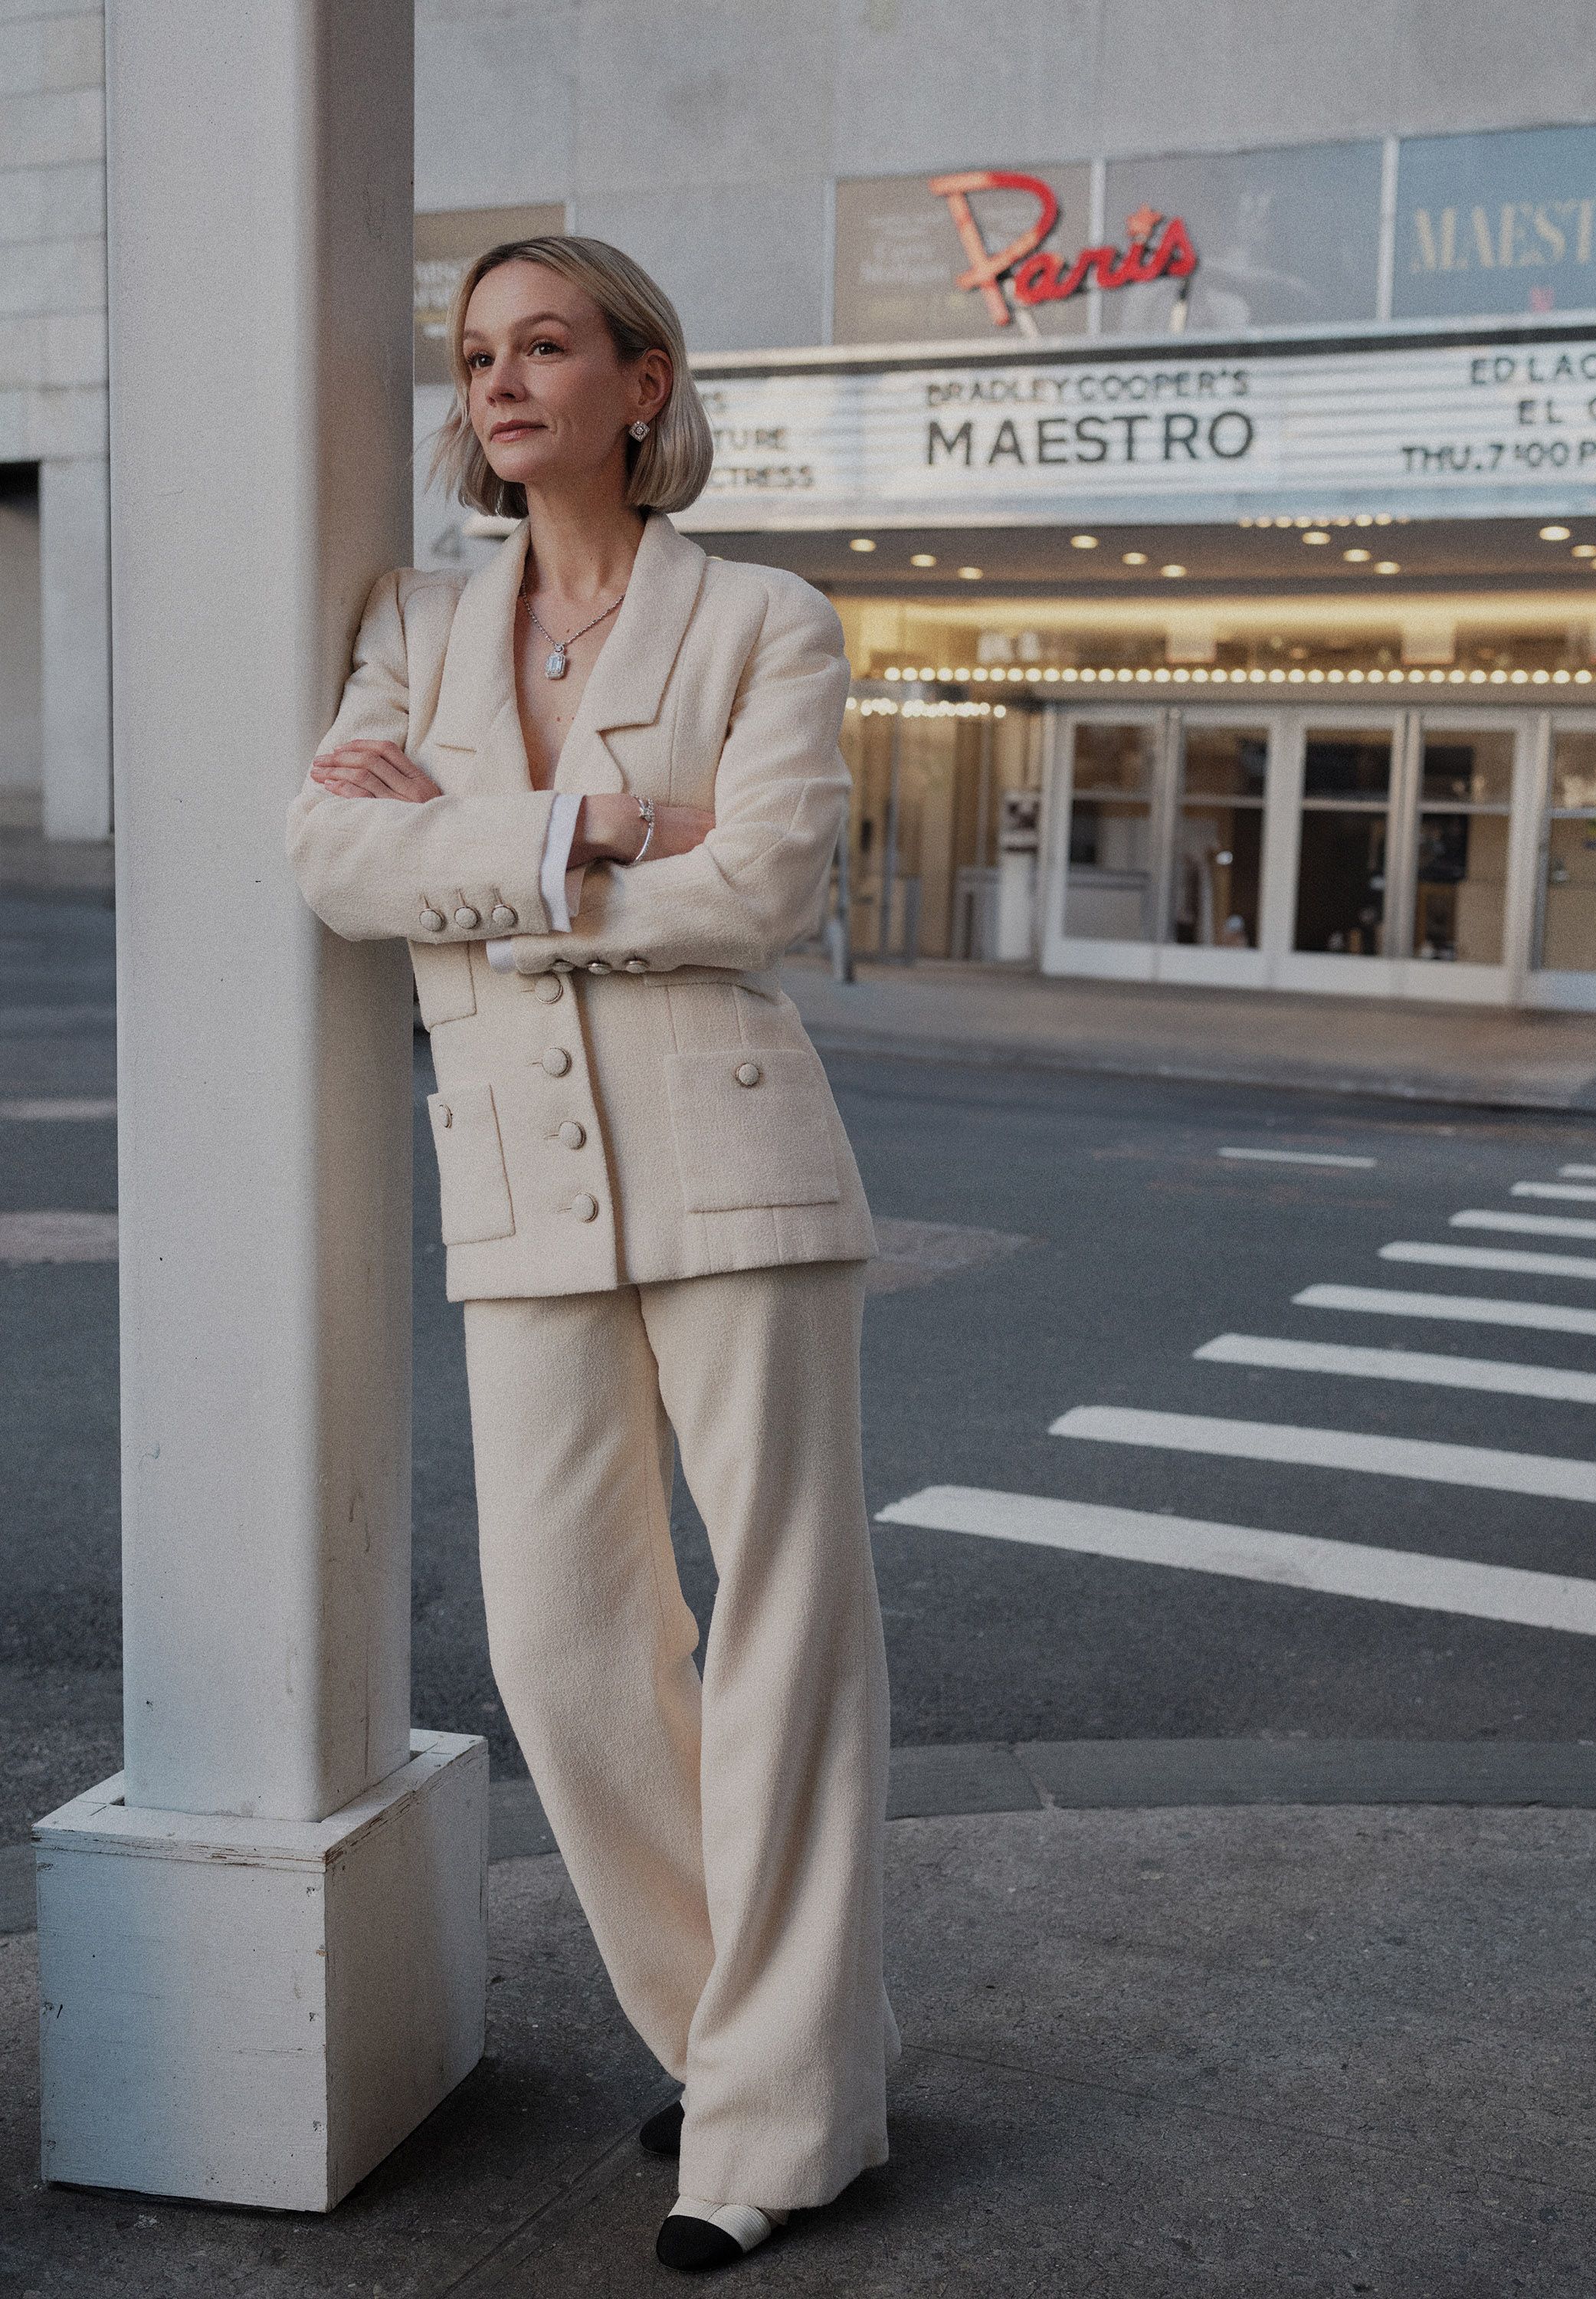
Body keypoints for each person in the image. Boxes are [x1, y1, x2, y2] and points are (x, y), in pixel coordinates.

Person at [287, 236, 896, 2275]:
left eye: (546, 344)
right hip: (520, 1183)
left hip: (736, 1163)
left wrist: (486, 850)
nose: (501, 380)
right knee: (561, 1644)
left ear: (646, 382)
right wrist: (604, 832)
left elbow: (773, 881)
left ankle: (780, 2121)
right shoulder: (415, 618)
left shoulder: (765, 617)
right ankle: (755, 2037)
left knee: (787, 1629)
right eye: (477, 354)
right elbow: (330, 857)